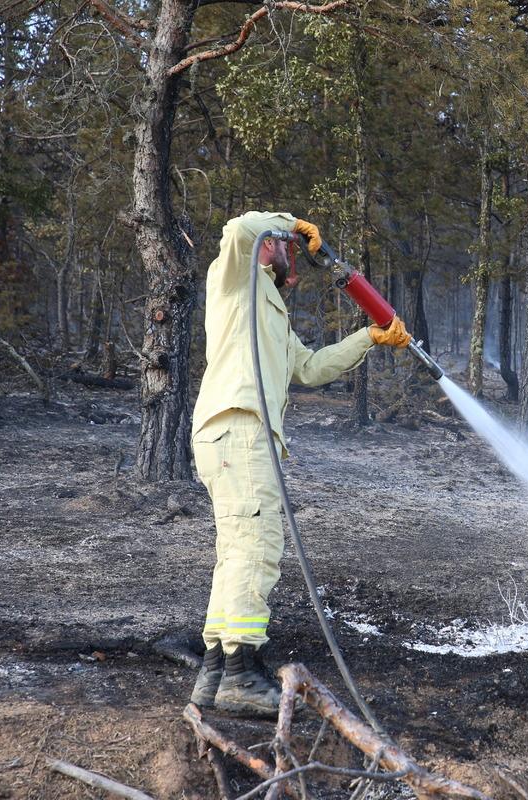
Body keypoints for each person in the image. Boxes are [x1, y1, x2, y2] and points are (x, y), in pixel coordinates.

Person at [187, 211, 410, 716]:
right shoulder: (235, 278)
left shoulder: (270, 312)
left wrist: (368, 338)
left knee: (236, 552)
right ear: (271, 247)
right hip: (239, 429)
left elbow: (308, 367)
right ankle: (241, 674)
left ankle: (215, 673)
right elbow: (237, 228)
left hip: (239, 436)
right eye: (286, 246)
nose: (294, 256)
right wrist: (289, 223)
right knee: (257, 546)